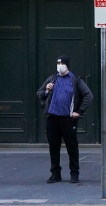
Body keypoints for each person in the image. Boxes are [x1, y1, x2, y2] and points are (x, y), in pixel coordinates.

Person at [37, 55, 93, 184]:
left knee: (71, 146)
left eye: (62, 63)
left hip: (68, 119)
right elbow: (40, 93)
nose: (60, 66)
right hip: (52, 117)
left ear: (67, 65)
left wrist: (79, 112)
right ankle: (55, 173)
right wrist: (46, 91)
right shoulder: (52, 79)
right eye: (58, 63)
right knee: (53, 147)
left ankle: (74, 173)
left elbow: (88, 95)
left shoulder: (75, 80)